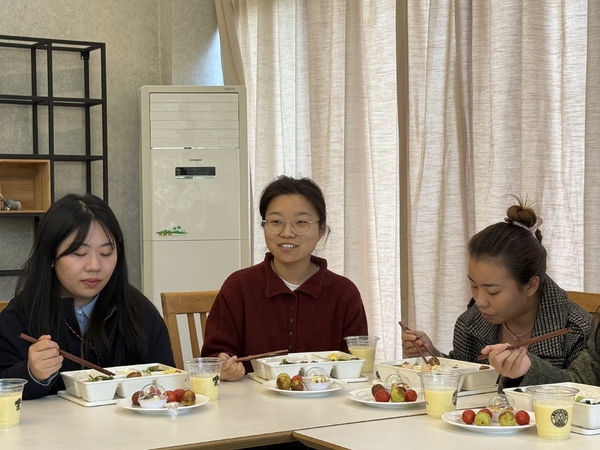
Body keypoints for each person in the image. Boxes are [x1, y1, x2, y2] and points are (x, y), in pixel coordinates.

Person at [0, 193, 174, 399]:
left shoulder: (137, 309)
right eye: (79, 253)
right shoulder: (19, 317)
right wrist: (32, 374)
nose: (94, 266)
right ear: (51, 256)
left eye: (106, 253)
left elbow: (167, 379)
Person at [201, 175, 369, 381]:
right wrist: (223, 365)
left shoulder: (344, 293)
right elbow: (214, 356)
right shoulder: (239, 286)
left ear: (321, 230)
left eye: (301, 222)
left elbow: (357, 365)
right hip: (252, 400)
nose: (287, 233)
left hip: (326, 399)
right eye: (276, 222)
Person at [402, 196, 594, 370]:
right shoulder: (470, 323)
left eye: (493, 292)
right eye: (474, 286)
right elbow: (465, 376)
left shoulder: (576, 330)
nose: (480, 301)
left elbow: (582, 389)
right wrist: (433, 356)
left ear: (531, 285)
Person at [480, 323, 600, 389]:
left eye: (494, 292)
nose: (480, 301)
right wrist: (527, 368)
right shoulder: (474, 320)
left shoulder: (575, 323)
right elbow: (582, 384)